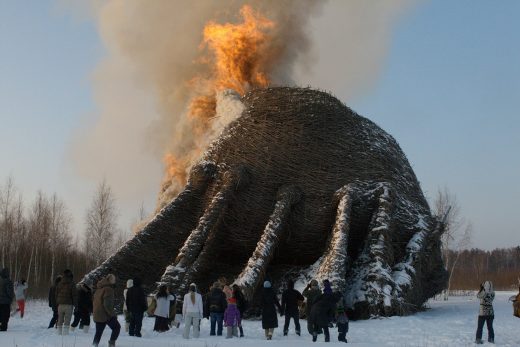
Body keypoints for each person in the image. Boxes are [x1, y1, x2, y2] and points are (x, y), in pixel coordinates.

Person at [92, 274, 120, 347]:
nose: (115, 281)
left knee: (98, 332)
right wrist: (112, 314)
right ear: (110, 280)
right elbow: (107, 305)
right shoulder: (109, 289)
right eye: (114, 279)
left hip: (97, 313)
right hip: (106, 314)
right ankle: (111, 344)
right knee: (117, 327)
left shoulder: (99, 289)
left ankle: (94, 345)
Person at [55, 269, 77, 335]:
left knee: (60, 319)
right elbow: (74, 295)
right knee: (67, 320)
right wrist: (76, 304)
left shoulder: (59, 283)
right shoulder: (72, 283)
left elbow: (56, 294)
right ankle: (65, 334)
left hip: (60, 305)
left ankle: (59, 333)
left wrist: (57, 302)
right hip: (69, 305)